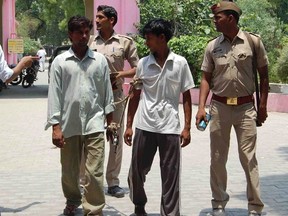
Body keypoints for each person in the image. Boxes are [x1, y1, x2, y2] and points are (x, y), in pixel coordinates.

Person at [195, 1, 269, 216]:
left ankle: (255, 207)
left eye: (218, 17)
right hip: (219, 107)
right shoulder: (212, 46)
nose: (214, 21)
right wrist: (201, 107)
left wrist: (262, 106)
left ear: (231, 18)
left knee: (248, 158)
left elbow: (264, 76)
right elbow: (205, 77)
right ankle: (218, 204)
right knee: (217, 158)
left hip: (246, 108)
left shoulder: (253, 42)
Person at [124, 18, 195, 216]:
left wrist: (187, 128)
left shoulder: (180, 63)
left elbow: (187, 96)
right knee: (136, 172)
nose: (146, 42)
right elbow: (135, 95)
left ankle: (170, 213)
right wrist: (129, 125)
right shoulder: (143, 65)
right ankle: (139, 204)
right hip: (145, 126)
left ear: (162, 38)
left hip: (170, 128)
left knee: (171, 176)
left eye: (149, 38)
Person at [45, 15, 115, 216]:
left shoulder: (99, 61)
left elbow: (106, 92)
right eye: (79, 32)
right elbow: (54, 95)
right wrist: (55, 127)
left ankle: (93, 209)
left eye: (87, 32)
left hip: (94, 123)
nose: (84, 36)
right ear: (70, 34)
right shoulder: (60, 61)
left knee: (94, 171)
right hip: (69, 125)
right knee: (69, 171)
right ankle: (72, 199)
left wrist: (111, 123)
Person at [88, 4, 139, 198]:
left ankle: (113, 182)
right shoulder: (90, 42)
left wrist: (121, 74)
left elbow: (138, 67)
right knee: (91, 136)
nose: (97, 20)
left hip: (116, 98)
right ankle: (89, 181)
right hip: (93, 97)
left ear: (112, 20)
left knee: (114, 138)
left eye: (101, 17)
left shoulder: (125, 43)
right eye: (97, 17)